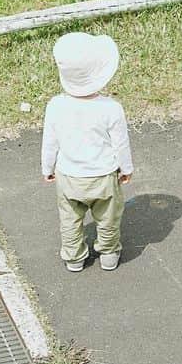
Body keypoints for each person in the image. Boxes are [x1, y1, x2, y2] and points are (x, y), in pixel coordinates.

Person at [41, 31, 134, 272]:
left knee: (70, 219)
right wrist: (126, 169)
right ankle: (109, 253)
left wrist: (47, 167)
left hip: (69, 177)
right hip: (103, 177)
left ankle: (74, 258)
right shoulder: (112, 109)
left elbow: (50, 142)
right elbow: (120, 144)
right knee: (108, 218)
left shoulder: (56, 106)